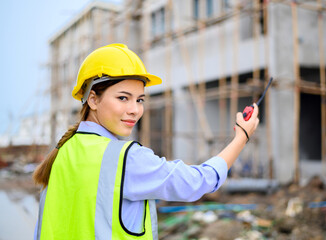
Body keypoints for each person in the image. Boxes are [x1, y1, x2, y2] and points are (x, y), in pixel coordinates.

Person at [33, 43, 259, 240]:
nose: (134, 110)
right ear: (93, 99)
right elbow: (197, 182)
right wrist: (242, 137)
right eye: (123, 98)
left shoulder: (63, 152)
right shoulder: (125, 158)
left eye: (140, 100)